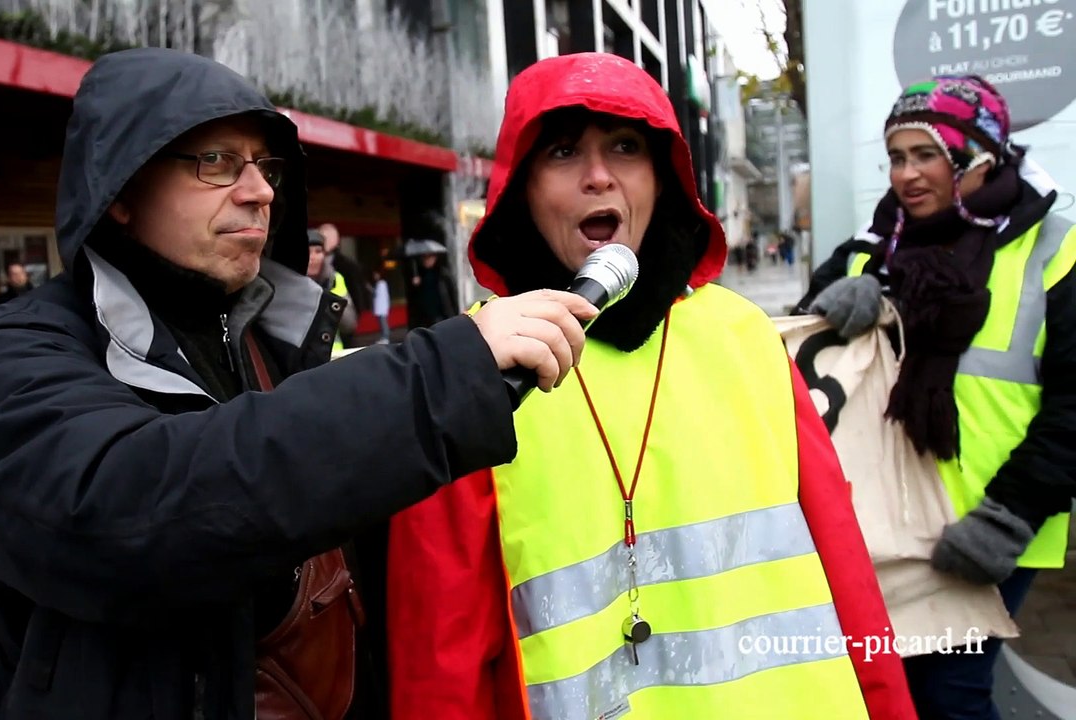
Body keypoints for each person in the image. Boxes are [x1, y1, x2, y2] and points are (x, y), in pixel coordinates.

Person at [0, 47, 595, 720]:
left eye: (265, 165)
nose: (260, 191)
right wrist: (437, 379)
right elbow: (126, 507)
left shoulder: (277, 338)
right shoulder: (18, 353)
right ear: (123, 194)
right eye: (216, 162)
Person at [387, 52, 915, 720]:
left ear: (663, 180)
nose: (599, 175)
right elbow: (440, 658)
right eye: (562, 151)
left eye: (627, 148)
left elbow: (847, 578)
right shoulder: (470, 371)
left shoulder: (744, 338)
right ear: (521, 187)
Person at [796, 75, 1076, 719]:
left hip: (993, 524)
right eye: (896, 157)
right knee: (895, 687)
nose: (906, 175)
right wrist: (836, 302)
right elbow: (811, 347)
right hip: (892, 516)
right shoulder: (876, 244)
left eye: (927, 155)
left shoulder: (1055, 250)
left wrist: (1006, 518)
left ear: (979, 156)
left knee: (951, 696)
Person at [306, 228, 356, 351]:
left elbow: (349, 324)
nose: (313, 257)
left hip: (333, 354)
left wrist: (330, 298)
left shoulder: (335, 279)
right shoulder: (291, 283)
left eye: (318, 251)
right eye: (308, 252)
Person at [318, 222, 369, 338]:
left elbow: (358, 292)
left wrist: (355, 314)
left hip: (344, 320)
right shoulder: (310, 264)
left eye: (329, 237)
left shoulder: (347, 266)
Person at [372, 266, 391, 344]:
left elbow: (380, 295)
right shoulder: (379, 283)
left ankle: (385, 337)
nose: (374, 276)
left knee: (383, 323)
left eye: (376, 274)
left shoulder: (382, 283)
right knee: (382, 323)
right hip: (380, 307)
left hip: (382, 307)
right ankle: (384, 337)